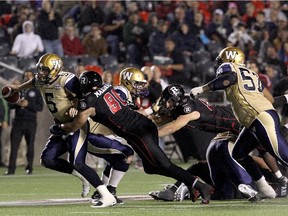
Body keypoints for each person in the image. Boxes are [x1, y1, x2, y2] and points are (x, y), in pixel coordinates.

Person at [50, 70, 214, 204]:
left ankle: (199, 186)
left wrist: (60, 127)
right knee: (151, 168)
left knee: (165, 165)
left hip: (138, 132)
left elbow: (75, 125)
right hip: (140, 128)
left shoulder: (89, 102)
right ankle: (193, 184)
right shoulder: (108, 87)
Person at [3, 53, 116, 208]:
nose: (41, 73)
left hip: (76, 124)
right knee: (47, 160)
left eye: (44, 70)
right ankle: (82, 177)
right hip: (61, 125)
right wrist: (18, 88)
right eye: (40, 69)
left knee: (78, 162)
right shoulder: (41, 80)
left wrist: (75, 107)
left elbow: (85, 98)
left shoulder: (67, 80)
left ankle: (107, 196)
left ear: (55, 69)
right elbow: (33, 82)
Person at [149, 84, 288, 202]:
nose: (166, 104)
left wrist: (146, 136)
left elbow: (172, 126)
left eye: (169, 101)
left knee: (236, 183)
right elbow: (163, 121)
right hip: (231, 131)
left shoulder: (187, 109)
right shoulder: (182, 106)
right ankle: (182, 187)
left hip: (233, 129)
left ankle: (184, 187)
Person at [190, 46, 288, 199]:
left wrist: (203, 88)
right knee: (238, 153)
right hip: (256, 119)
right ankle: (264, 187)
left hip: (259, 116)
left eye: (221, 61)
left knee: (283, 155)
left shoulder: (230, 68)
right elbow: (270, 100)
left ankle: (272, 183)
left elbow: (229, 79)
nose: (219, 64)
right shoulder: (252, 74)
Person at [4, 71, 43, 175]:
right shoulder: (17, 90)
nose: (27, 77)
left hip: (30, 122)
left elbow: (40, 107)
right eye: (25, 76)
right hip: (18, 122)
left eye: (29, 76)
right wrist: (16, 102)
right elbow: (10, 106)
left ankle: (29, 168)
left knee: (30, 146)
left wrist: (28, 104)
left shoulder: (36, 91)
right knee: (14, 146)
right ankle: (11, 169)